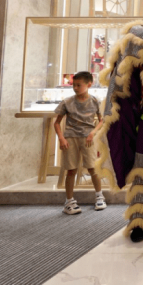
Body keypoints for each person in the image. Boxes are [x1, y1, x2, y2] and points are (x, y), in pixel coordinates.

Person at [53, 71, 106, 214]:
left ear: (89, 85)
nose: (75, 88)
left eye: (79, 85)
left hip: (88, 138)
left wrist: (93, 133)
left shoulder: (95, 101)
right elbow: (56, 123)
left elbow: (102, 120)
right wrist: (61, 138)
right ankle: (69, 202)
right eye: (73, 85)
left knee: (93, 168)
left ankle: (99, 197)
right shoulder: (67, 102)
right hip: (70, 138)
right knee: (71, 170)